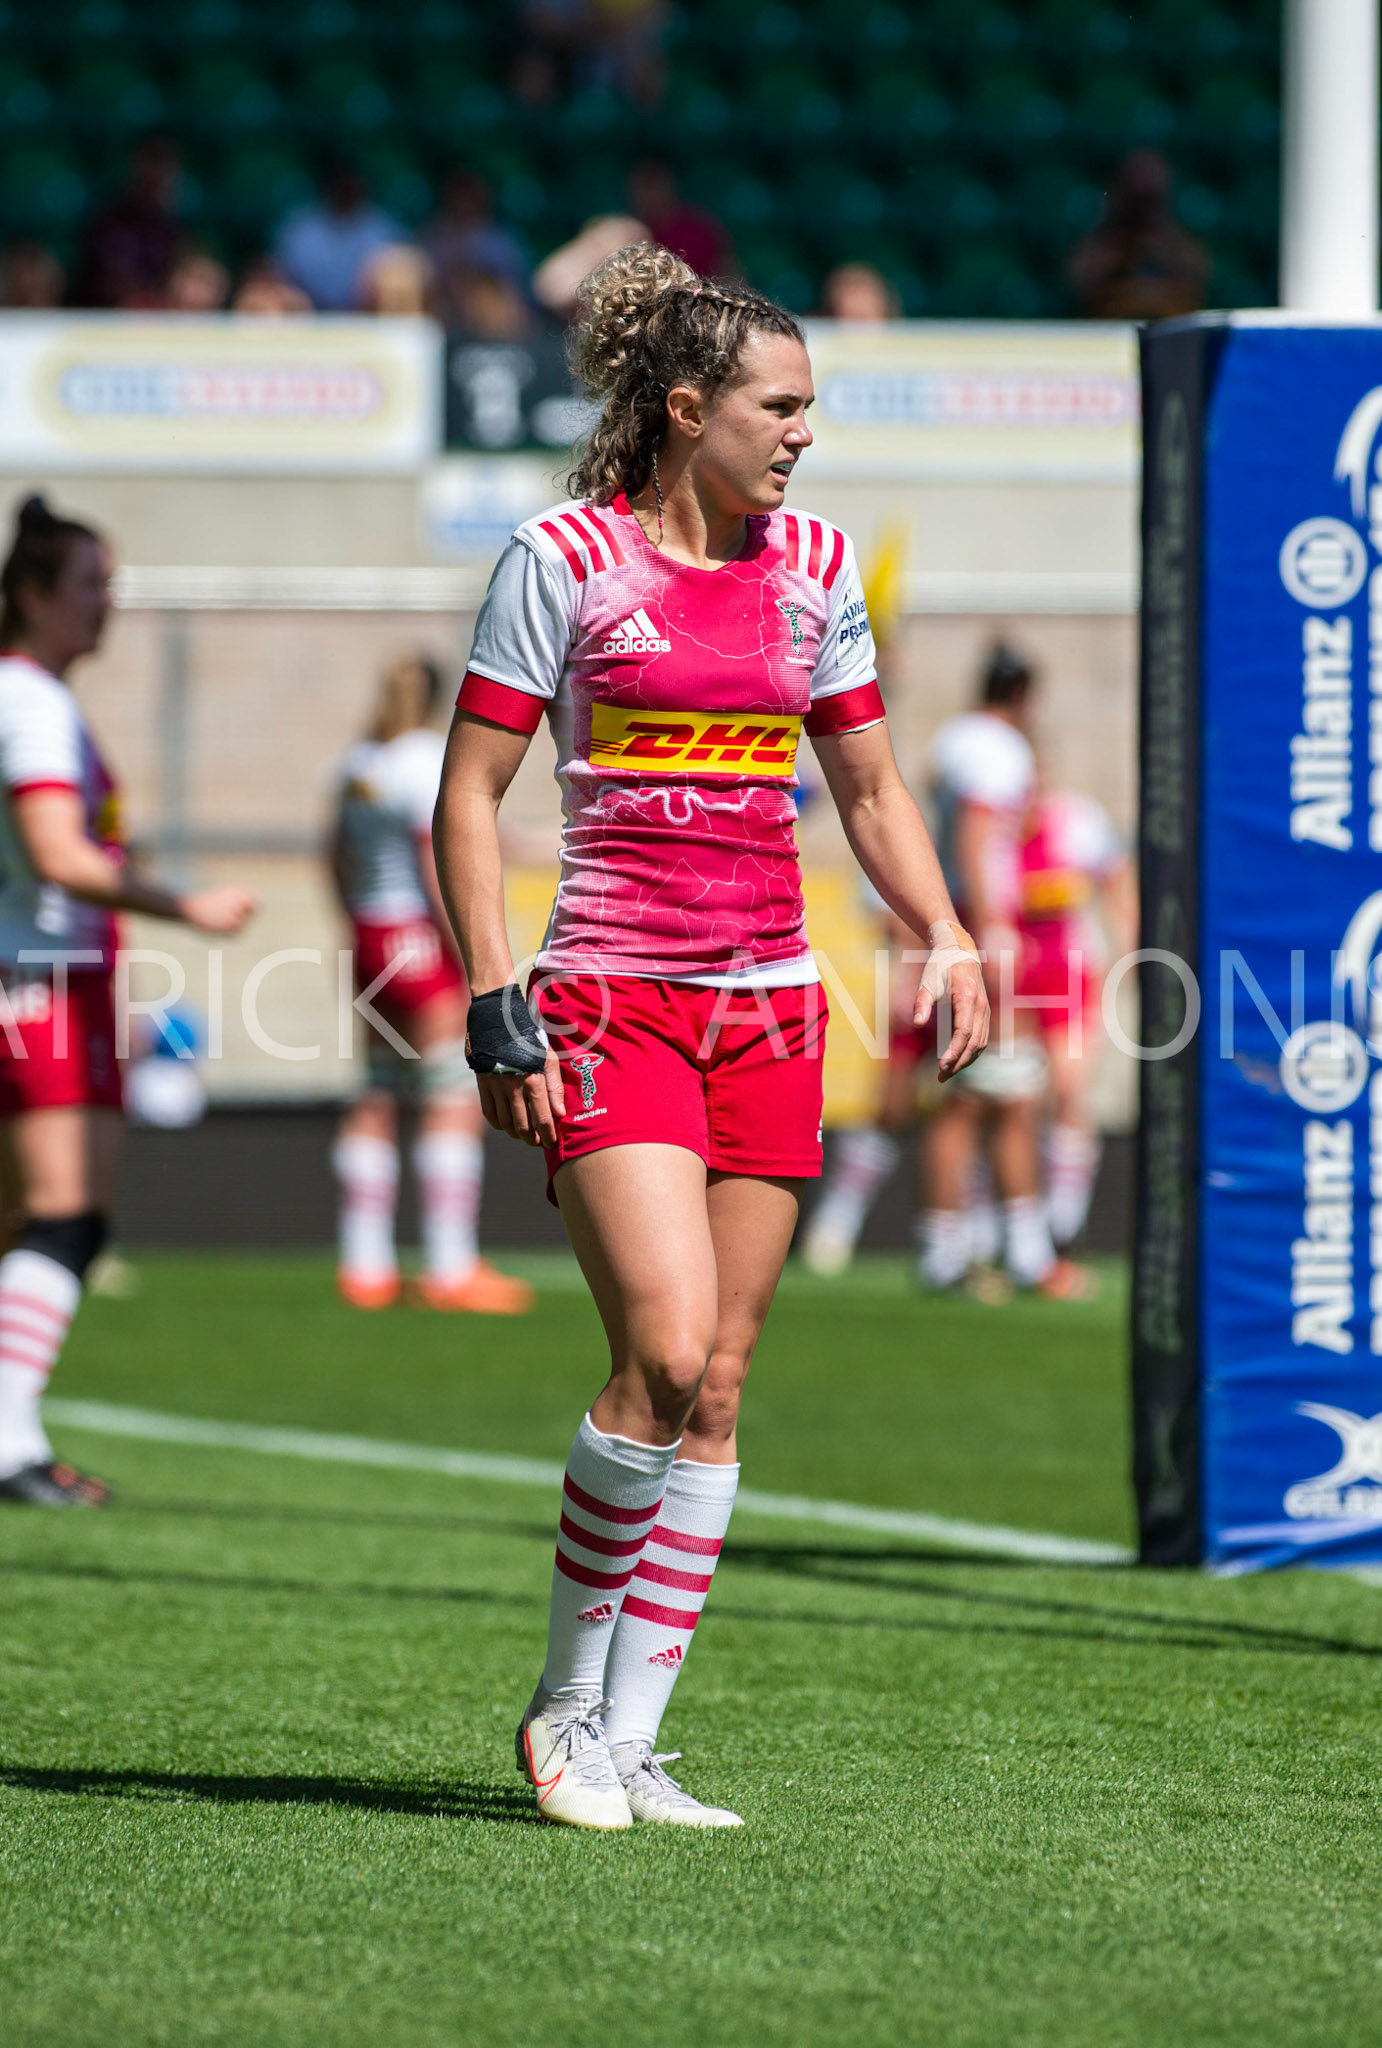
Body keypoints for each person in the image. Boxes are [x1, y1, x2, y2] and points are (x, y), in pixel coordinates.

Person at [432, 244, 989, 1831]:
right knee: (660, 1355)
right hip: (609, 995)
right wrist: (495, 1000)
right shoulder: (563, 558)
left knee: (724, 1385)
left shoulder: (814, 565)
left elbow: (871, 792)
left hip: (770, 1007)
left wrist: (941, 931)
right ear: (688, 410)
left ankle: (633, 1738)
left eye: (808, 407)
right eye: (779, 404)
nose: (803, 432)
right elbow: (469, 796)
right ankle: (558, 1708)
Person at [0, 496, 255, 1507]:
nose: (108, 603)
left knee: (23, 1215)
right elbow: (60, 855)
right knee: (67, 1217)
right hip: (42, 978)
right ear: (31, 594)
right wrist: (184, 900)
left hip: (35, 971)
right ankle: (11, 1443)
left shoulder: (27, 695)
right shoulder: (34, 701)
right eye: (90, 584)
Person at [329, 656, 534, 1316]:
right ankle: (449, 1266)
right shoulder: (424, 760)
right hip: (419, 942)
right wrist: (474, 960)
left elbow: (331, 854)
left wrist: (356, 922)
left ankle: (364, 1266)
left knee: (379, 1093)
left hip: (371, 937)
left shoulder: (360, 762)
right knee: (449, 1095)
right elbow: (434, 860)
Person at [1017, 783, 1136, 1248]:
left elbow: (1116, 886)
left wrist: (1136, 952)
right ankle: (1010, 1223)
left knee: (1068, 1092)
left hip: (1070, 973)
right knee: (1013, 1099)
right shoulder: (987, 829)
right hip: (1010, 977)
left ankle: (1063, 1226)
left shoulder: (1078, 820)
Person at [1069, 151, 1208, 322]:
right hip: (1111, 335)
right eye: (1138, 196)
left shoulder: (1179, 247)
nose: (1144, 202)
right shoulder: (1101, 246)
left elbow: (1196, 285)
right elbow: (1082, 283)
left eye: (1150, 196)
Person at [69, 137, 183, 309]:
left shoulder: (173, 224)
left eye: (164, 171)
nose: (158, 178)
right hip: (105, 316)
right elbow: (113, 283)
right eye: (151, 171)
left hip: (155, 316)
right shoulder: (110, 219)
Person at [272, 160, 402, 312]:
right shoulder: (298, 228)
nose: (345, 190)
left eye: (351, 184)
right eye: (340, 184)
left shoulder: (385, 229)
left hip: (368, 319)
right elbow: (282, 278)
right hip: (306, 319)